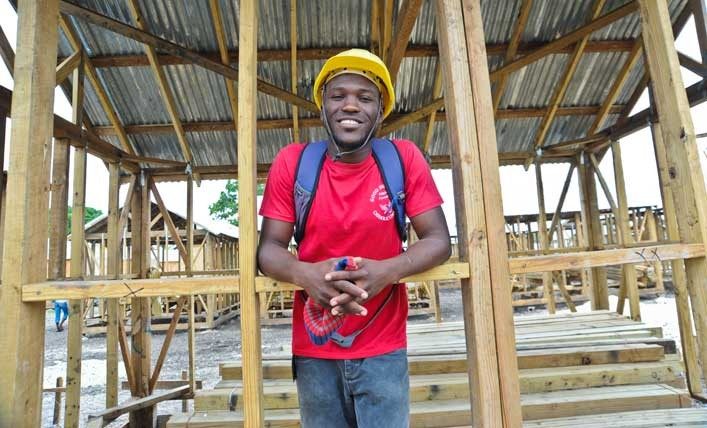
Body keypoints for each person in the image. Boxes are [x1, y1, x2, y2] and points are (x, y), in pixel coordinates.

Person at [257, 48, 451, 428]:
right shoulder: (294, 163)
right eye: (338, 96)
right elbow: (269, 250)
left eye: (364, 98)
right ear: (322, 107)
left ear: (380, 110)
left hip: (383, 347)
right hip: (316, 349)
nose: (350, 106)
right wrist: (306, 275)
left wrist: (387, 271)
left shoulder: (402, 159)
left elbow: (438, 240)